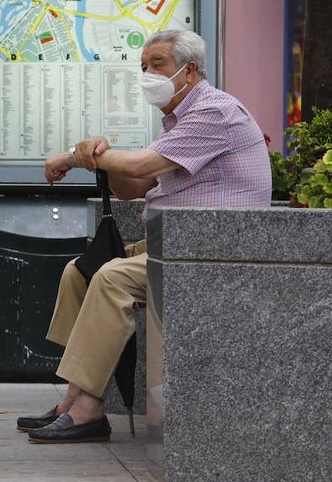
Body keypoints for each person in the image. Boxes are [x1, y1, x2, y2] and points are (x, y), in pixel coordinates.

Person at [19, 29, 272, 444]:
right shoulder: (180, 120)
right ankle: (73, 396)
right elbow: (132, 186)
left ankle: (87, 409)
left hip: (213, 246)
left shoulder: (215, 112)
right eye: (143, 67)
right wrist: (103, 157)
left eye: (158, 65)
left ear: (189, 71)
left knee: (111, 278)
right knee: (80, 272)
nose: (148, 74)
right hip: (176, 242)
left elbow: (139, 166)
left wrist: (77, 157)